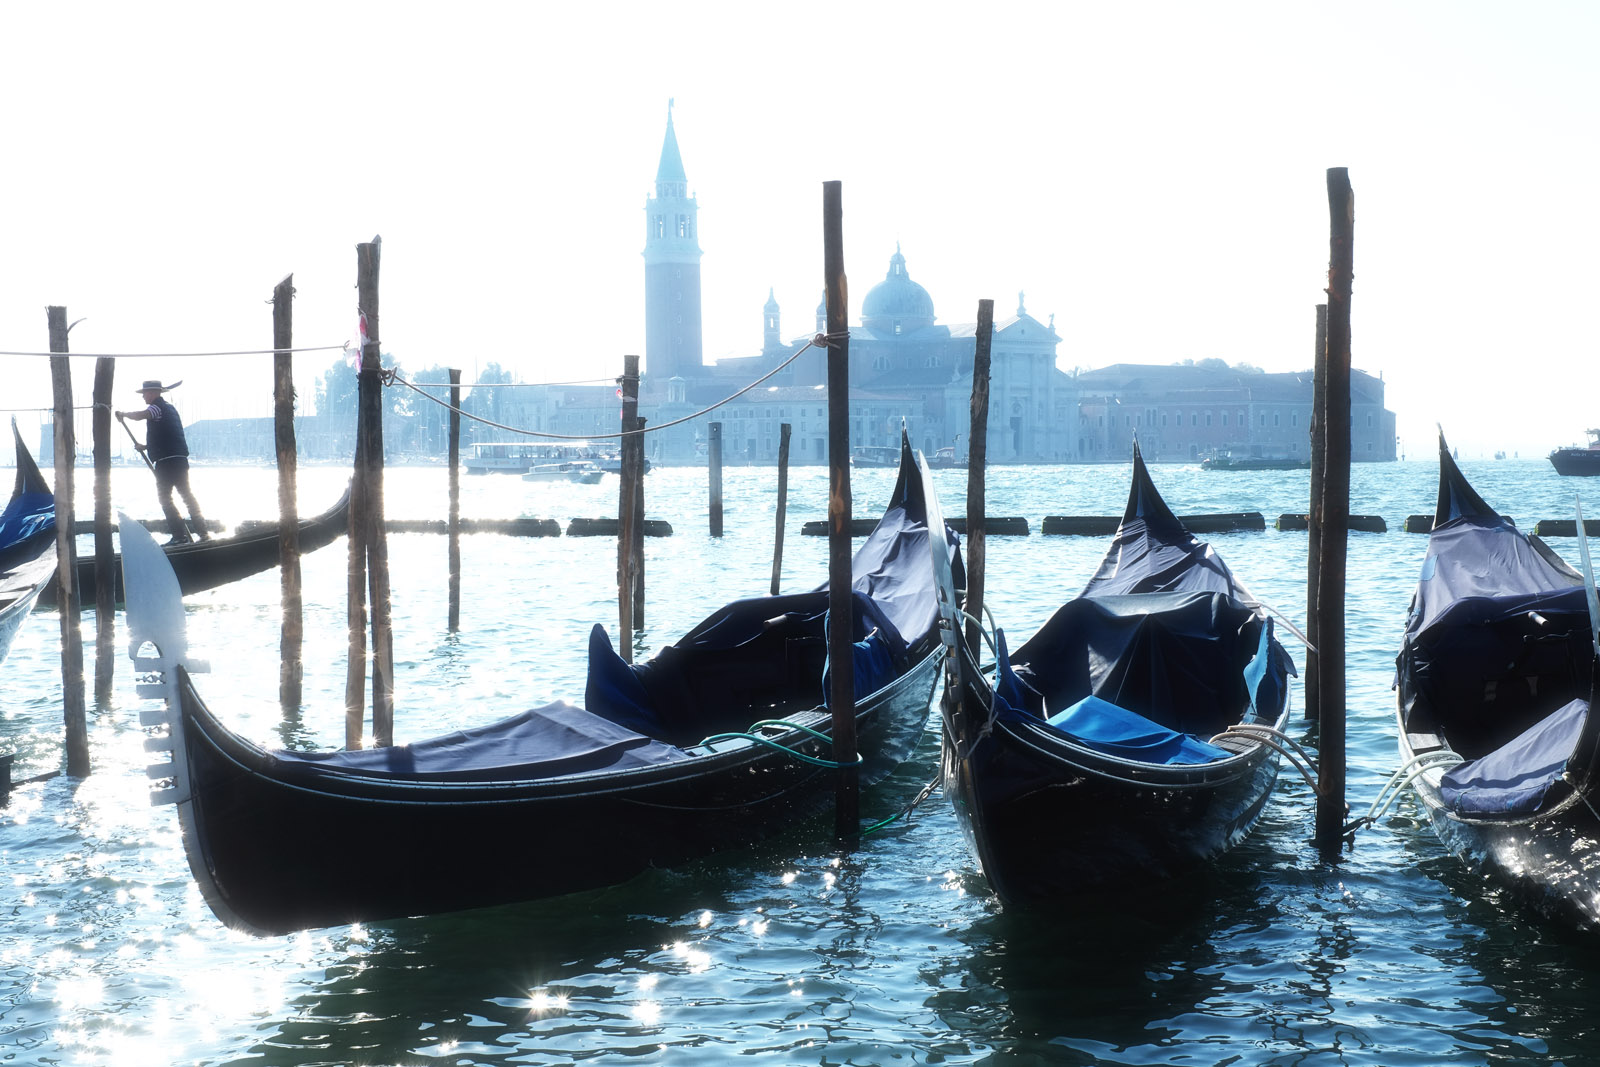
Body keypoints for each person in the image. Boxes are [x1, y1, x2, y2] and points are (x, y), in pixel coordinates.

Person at [115, 380, 210, 544]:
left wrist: (123, 414)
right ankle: (203, 533)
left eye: (144, 394)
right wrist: (145, 447)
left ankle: (179, 537)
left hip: (167, 464)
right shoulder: (170, 409)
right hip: (179, 460)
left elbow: (141, 415)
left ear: (152, 393)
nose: (143, 396)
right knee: (187, 496)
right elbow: (167, 435)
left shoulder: (156, 407)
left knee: (165, 499)